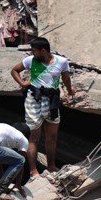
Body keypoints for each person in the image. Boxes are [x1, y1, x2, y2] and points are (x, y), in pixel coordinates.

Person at [9, 37, 73, 175]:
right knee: (34, 137)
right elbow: (14, 70)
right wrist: (22, 83)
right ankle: (33, 171)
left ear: (43, 50)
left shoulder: (61, 62)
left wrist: (70, 91)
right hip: (34, 100)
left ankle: (51, 166)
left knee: (52, 137)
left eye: (34, 51)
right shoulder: (30, 61)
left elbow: (66, 78)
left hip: (52, 101)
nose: (32, 53)